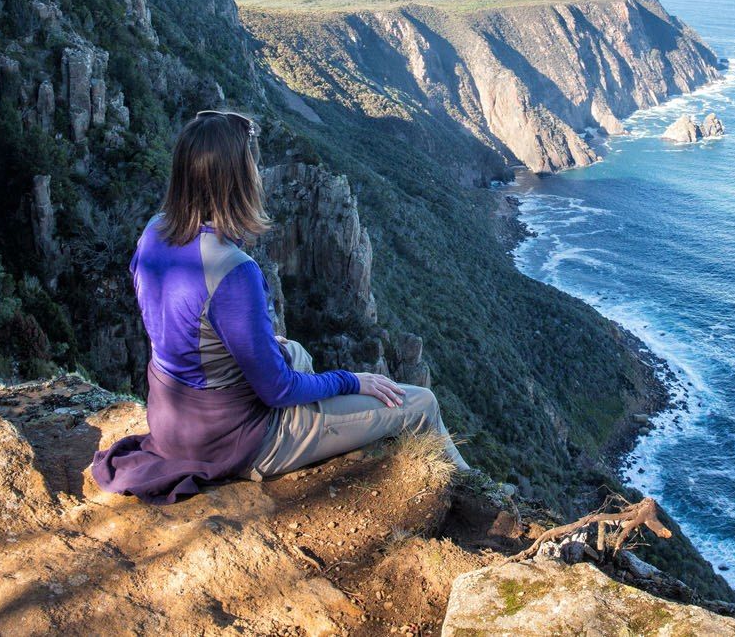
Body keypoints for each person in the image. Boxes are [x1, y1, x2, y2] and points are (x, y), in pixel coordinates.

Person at [91, 109, 469, 504]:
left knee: (295, 351)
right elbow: (278, 390)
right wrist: (352, 380)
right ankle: (477, 494)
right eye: (252, 163)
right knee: (422, 403)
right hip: (233, 439)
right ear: (236, 179)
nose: (258, 172)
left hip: (171, 419)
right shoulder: (232, 270)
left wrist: (244, 346)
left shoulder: (153, 231)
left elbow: (177, 324)